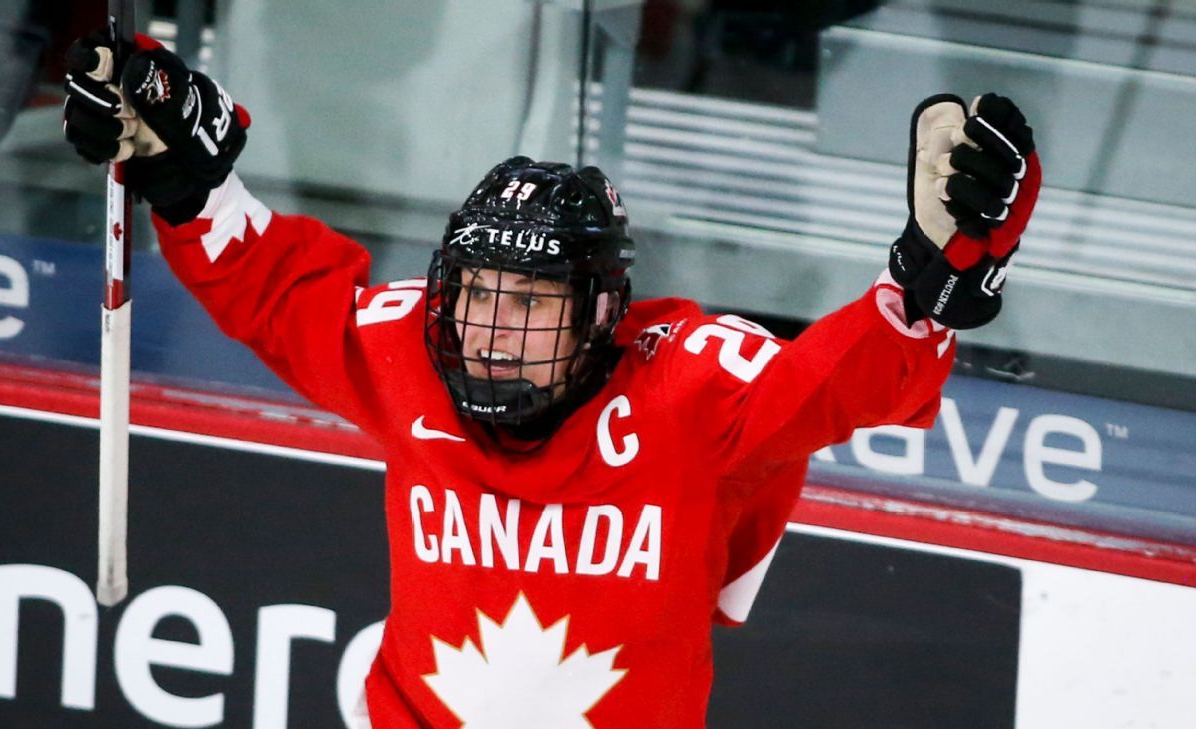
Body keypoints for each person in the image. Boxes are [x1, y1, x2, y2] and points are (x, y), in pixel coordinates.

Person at [63, 34, 1039, 729]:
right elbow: (276, 290)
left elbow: (833, 386)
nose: (490, 333)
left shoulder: (686, 383)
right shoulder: (418, 348)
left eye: (529, 304)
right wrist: (191, 183)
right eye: (477, 294)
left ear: (607, 315)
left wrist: (925, 282)